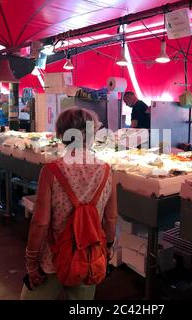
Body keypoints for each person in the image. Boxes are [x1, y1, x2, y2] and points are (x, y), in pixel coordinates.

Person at [20, 107, 117, 300]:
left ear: (60, 135)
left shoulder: (52, 170)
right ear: (92, 134)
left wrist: (31, 261)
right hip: (87, 257)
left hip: (52, 258)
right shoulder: (106, 170)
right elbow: (111, 217)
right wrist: (107, 247)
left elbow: (40, 222)